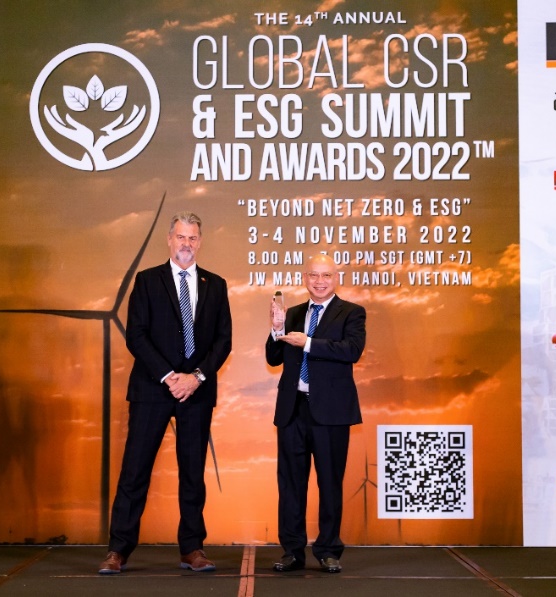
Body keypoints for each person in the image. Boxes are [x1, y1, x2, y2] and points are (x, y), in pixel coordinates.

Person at [99, 212, 232, 575]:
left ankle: (192, 548)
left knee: (193, 475)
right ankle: (118, 550)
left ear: (200, 242)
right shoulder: (146, 280)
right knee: (135, 471)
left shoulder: (216, 285)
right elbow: (136, 334)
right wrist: (170, 376)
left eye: (193, 238)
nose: (186, 243)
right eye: (181, 237)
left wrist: (196, 378)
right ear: (169, 239)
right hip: (152, 389)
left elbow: (223, 340)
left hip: (197, 392)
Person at [265, 253, 366, 574]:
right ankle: (292, 551)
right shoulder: (293, 313)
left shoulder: (352, 312)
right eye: (313, 275)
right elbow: (273, 358)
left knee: (330, 482)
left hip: (331, 413)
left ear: (336, 278)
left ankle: (328, 550)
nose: (319, 281)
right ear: (304, 278)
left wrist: (307, 342)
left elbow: (352, 350)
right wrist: (276, 329)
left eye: (326, 275)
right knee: (290, 484)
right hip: (292, 409)